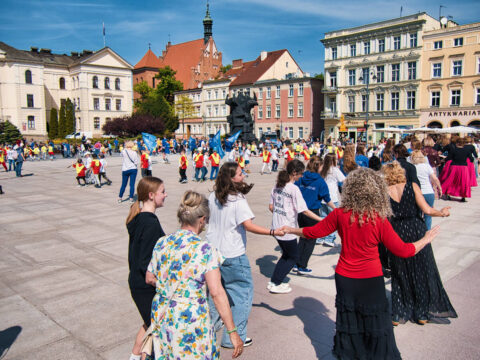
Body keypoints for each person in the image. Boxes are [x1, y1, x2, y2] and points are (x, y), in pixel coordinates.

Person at [280, 167, 441, 360]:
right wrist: (426, 239)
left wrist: (291, 229)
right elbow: (404, 250)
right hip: (370, 278)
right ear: (376, 190)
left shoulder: (340, 214)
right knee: (374, 319)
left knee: (350, 317)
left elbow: (313, 232)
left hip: (345, 276)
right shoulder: (379, 219)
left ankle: (350, 353)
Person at [146, 191, 243, 359]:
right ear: (202, 219)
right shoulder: (205, 250)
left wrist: (168, 289)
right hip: (190, 320)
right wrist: (232, 331)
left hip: (163, 315)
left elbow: (150, 277)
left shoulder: (162, 242)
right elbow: (216, 292)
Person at [206, 162, 284, 349]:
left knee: (215, 291)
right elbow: (248, 225)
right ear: (231, 179)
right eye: (240, 174)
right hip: (232, 254)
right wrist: (274, 232)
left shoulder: (213, 196)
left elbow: (208, 219)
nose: (243, 177)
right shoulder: (237, 200)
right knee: (241, 294)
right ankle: (234, 336)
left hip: (212, 251)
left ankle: (211, 325)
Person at [383, 161, 457, 326]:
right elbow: (427, 210)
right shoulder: (412, 186)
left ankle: (398, 312)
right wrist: (442, 213)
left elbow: (384, 217)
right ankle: (421, 313)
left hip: (396, 231)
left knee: (399, 271)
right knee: (421, 269)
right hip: (416, 229)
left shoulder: (384, 192)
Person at [268, 160, 323, 293]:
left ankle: (274, 281)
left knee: (286, 255)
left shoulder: (277, 185)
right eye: (301, 173)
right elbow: (304, 210)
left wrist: (280, 212)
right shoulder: (293, 189)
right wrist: (320, 219)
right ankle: (276, 283)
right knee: (293, 257)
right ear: (294, 173)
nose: (302, 176)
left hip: (276, 226)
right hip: (286, 229)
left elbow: (271, 206)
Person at [126, 177, 166, 360]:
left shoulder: (139, 217)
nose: (165, 195)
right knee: (156, 328)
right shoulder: (150, 223)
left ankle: (135, 355)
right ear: (151, 195)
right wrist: (160, 282)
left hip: (136, 281)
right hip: (145, 285)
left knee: (149, 322)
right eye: (162, 192)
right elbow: (145, 262)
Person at [294, 156, 335, 275]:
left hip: (301, 212)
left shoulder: (301, 177)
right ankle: (302, 266)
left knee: (302, 237)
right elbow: (327, 198)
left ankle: (297, 263)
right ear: (319, 167)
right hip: (312, 212)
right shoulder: (320, 181)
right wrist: (336, 208)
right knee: (310, 239)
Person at [317, 154, 345, 246]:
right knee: (334, 219)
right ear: (334, 161)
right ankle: (329, 239)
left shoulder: (321, 169)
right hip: (332, 197)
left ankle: (320, 237)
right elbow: (343, 180)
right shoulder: (335, 170)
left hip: (322, 197)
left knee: (322, 218)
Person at [410, 151, 442, 230]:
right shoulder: (427, 166)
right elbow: (434, 178)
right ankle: (427, 231)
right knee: (429, 214)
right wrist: (439, 188)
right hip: (428, 192)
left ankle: (419, 230)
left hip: (418, 192)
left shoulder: (412, 167)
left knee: (418, 213)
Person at [439, 137, 474, 202]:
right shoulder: (467, 150)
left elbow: (449, 158)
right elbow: (471, 159)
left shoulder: (454, 150)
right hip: (463, 167)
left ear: (457, 143)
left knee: (450, 180)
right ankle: (463, 196)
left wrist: (443, 160)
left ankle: (448, 194)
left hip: (454, 166)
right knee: (463, 182)